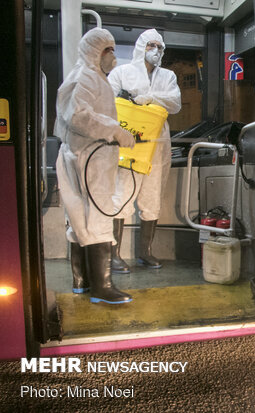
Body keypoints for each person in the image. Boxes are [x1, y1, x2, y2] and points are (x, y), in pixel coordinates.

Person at [54, 28, 136, 305]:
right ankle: (103, 286)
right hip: (89, 156)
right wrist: (115, 131)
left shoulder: (94, 77)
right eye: (107, 50)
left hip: (84, 154)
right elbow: (79, 116)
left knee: (79, 217)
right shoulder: (85, 77)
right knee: (99, 214)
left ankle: (82, 281)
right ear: (92, 51)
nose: (112, 56)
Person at [108, 29, 181, 273]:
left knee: (152, 197)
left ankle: (145, 253)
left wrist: (150, 98)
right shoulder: (122, 73)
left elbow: (175, 103)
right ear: (141, 47)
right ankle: (113, 254)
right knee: (123, 194)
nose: (156, 51)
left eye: (160, 47)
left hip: (157, 143)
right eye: (151, 45)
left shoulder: (168, 76)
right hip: (130, 141)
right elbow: (109, 102)